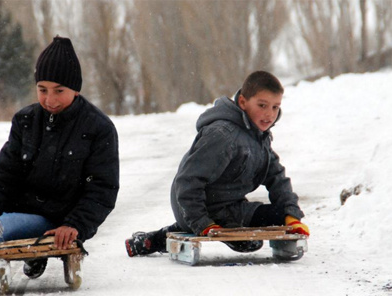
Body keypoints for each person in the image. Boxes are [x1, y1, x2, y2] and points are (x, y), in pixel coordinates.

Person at [0, 36, 119, 279]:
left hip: (57, 219)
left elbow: (103, 188)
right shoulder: (25, 121)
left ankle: (21, 249)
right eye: (42, 90)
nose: (50, 100)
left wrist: (75, 225)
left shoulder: (98, 127)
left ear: (75, 89)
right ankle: (23, 250)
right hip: (17, 211)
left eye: (59, 91)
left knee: (3, 228)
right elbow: (1, 178)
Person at [125, 71, 309, 259]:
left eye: (275, 107)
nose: (269, 114)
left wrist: (292, 217)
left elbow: (277, 177)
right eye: (262, 105)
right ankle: (160, 238)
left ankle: (176, 232)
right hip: (193, 205)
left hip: (228, 206)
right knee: (249, 239)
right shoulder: (222, 135)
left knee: (276, 219)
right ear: (243, 102)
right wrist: (202, 223)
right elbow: (187, 181)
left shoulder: (258, 136)